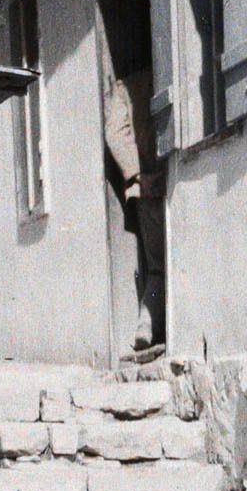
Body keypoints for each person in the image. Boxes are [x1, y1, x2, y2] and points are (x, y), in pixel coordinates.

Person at [104, 64, 166, 356]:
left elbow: (114, 134)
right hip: (173, 174)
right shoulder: (170, 72)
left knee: (157, 264)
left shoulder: (129, 85)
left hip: (149, 184)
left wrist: (137, 174)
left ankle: (146, 326)